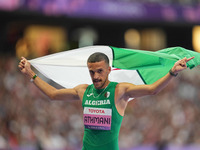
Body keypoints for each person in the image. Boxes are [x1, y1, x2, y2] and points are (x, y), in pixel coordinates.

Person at [18, 52, 194, 150]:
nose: (96, 76)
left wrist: (172, 72)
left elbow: (152, 90)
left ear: (109, 70)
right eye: (92, 72)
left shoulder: (119, 90)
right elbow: (53, 94)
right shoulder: (83, 90)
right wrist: (31, 75)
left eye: (100, 71)